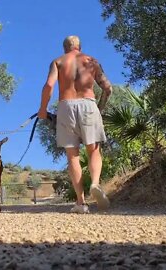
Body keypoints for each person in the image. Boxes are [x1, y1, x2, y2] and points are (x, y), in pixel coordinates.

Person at [38, 35, 112, 213]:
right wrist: (99, 107)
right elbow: (108, 88)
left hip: (65, 106)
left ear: (65, 48)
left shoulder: (58, 61)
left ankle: (80, 202)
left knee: (72, 155)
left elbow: (49, 85)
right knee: (93, 149)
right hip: (88, 104)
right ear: (79, 46)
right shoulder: (92, 61)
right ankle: (95, 184)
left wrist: (43, 109)